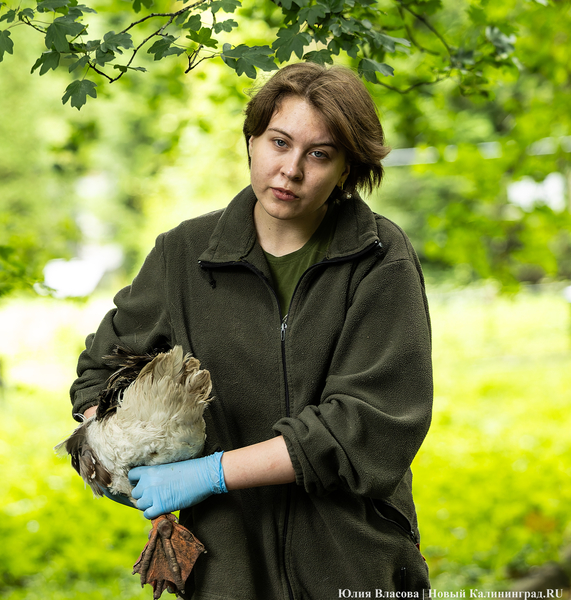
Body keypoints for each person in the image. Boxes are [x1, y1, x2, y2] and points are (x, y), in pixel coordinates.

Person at [69, 62, 434, 599]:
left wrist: (212, 472)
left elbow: (366, 424)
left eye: (319, 153)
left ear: (346, 169)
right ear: (251, 140)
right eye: (279, 142)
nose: (290, 169)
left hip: (352, 562)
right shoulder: (184, 254)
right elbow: (97, 374)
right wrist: (115, 453)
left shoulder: (379, 259)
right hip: (226, 567)